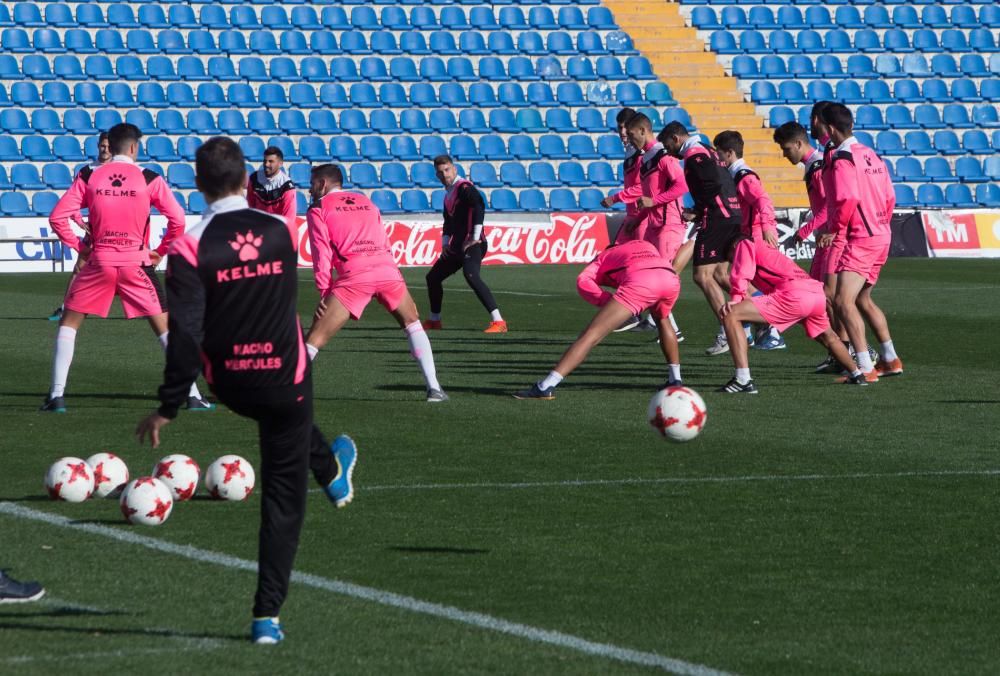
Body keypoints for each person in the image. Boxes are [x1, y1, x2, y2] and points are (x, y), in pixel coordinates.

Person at [135, 137, 357, 645]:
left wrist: (170, 406)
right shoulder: (280, 230)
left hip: (231, 380)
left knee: (288, 424)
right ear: (244, 181)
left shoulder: (188, 245)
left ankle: (333, 474)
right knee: (282, 495)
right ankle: (265, 618)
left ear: (196, 184)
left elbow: (185, 334)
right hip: (285, 377)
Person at [42, 123, 213, 413]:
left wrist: (79, 247)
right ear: (134, 147)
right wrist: (160, 251)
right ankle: (192, 395)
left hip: (99, 261)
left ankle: (57, 396)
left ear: (113, 145)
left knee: (69, 325)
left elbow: (58, 217)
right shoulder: (149, 178)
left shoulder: (89, 175)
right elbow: (178, 220)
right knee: (165, 330)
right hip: (137, 263)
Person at [305, 164, 448, 402]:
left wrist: (324, 292)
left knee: (314, 340)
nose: (310, 189)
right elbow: (383, 238)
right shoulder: (367, 201)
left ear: (322, 184)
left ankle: (280, 392)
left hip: (355, 275)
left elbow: (322, 256)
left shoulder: (318, 208)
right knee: (412, 323)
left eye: (312, 184)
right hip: (386, 270)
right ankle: (434, 388)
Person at [514, 239, 683, 399]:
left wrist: (608, 301)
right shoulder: (641, 244)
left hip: (641, 281)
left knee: (590, 336)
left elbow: (583, 281)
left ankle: (545, 386)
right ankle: (675, 379)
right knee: (662, 319)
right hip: (670, 277)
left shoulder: (601, 259)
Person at [717, 234, 867, 393]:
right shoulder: (765, 247)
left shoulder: (744, 243)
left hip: (794, 295)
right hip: (815, 294)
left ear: (734, 248)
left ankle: (743, 380)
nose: (733, 262)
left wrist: (736, 298)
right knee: (828, 337)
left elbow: (742, 271)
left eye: (732, 259)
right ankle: (857, 374)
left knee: (730, 314)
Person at [822, 103, 903, 382]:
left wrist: (835, 228)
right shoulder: (869, 153)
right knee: (862, 299)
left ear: (830, 129)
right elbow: (890, 196)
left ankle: (865, 367)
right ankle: (890, 358)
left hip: (862, 237)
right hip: (882, 233)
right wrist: (880, 222)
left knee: (842, 301)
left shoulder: (844, 158)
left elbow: (848, 197)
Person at [659, 122, 746, 356]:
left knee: (702, 276)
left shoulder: (694, 154)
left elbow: (713, 184)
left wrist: (699, 209)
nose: (667, 151)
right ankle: (762, 316)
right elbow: (723, 180)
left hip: (717, 216)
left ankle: (730, 328)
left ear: (676, 138)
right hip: (731, 213)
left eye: (668, 145)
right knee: (720, 274)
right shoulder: (707, 149)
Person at [772, 121, 853, 372]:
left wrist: (805, 230)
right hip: (822, 238)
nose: (785, 155)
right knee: (821, 295)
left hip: (829, 237)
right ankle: (840, 352)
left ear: (799, 144)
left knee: (829, 296)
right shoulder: (813, 165)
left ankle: (850, 348)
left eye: (786, 149)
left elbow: (829, 205)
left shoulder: (817, 166)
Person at [713, 130, 786, 351]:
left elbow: (763, 200)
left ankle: (770, 329)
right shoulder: (736, 176)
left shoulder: (744, 176)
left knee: (751, 283)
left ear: (729, 153)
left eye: (719, 154)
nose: (718, 159)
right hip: (745, 236)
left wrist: (765, 227)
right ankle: (751, 330)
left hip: (754, 238)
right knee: (743, 283)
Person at [421, 155, 506, 333]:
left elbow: (479, 205)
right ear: (437, 176)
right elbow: (448, 222)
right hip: (457, 246)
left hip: (474, 244)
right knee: (433, 278)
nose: (444, 175)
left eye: (447, 170)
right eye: (440, 172)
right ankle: (435, 320)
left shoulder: (464, 187)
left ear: (455, 170)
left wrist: (474, 236)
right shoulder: (448, 195)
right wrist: (445, 244)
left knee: (471, 275)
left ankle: (499, 322)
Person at [48, 132, 112, 321]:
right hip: (96, 230)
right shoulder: (87, 171)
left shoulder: (121, 170)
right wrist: (79, 221)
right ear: (98, 146)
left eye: (109, 147)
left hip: (120, 229)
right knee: (79, 268)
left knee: (136, 268)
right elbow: (73, 200)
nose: (105, 150)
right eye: (103, 146)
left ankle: (150, 308)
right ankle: (64, 308)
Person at [246, 146, 298, 241]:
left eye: (271, 161)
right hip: (257, 231)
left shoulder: (287, 186)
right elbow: (250, 206)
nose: (266, 164)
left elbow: (289, 218)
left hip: (277, 233)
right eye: (265, 161)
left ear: (280, 163)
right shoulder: (254, 178)